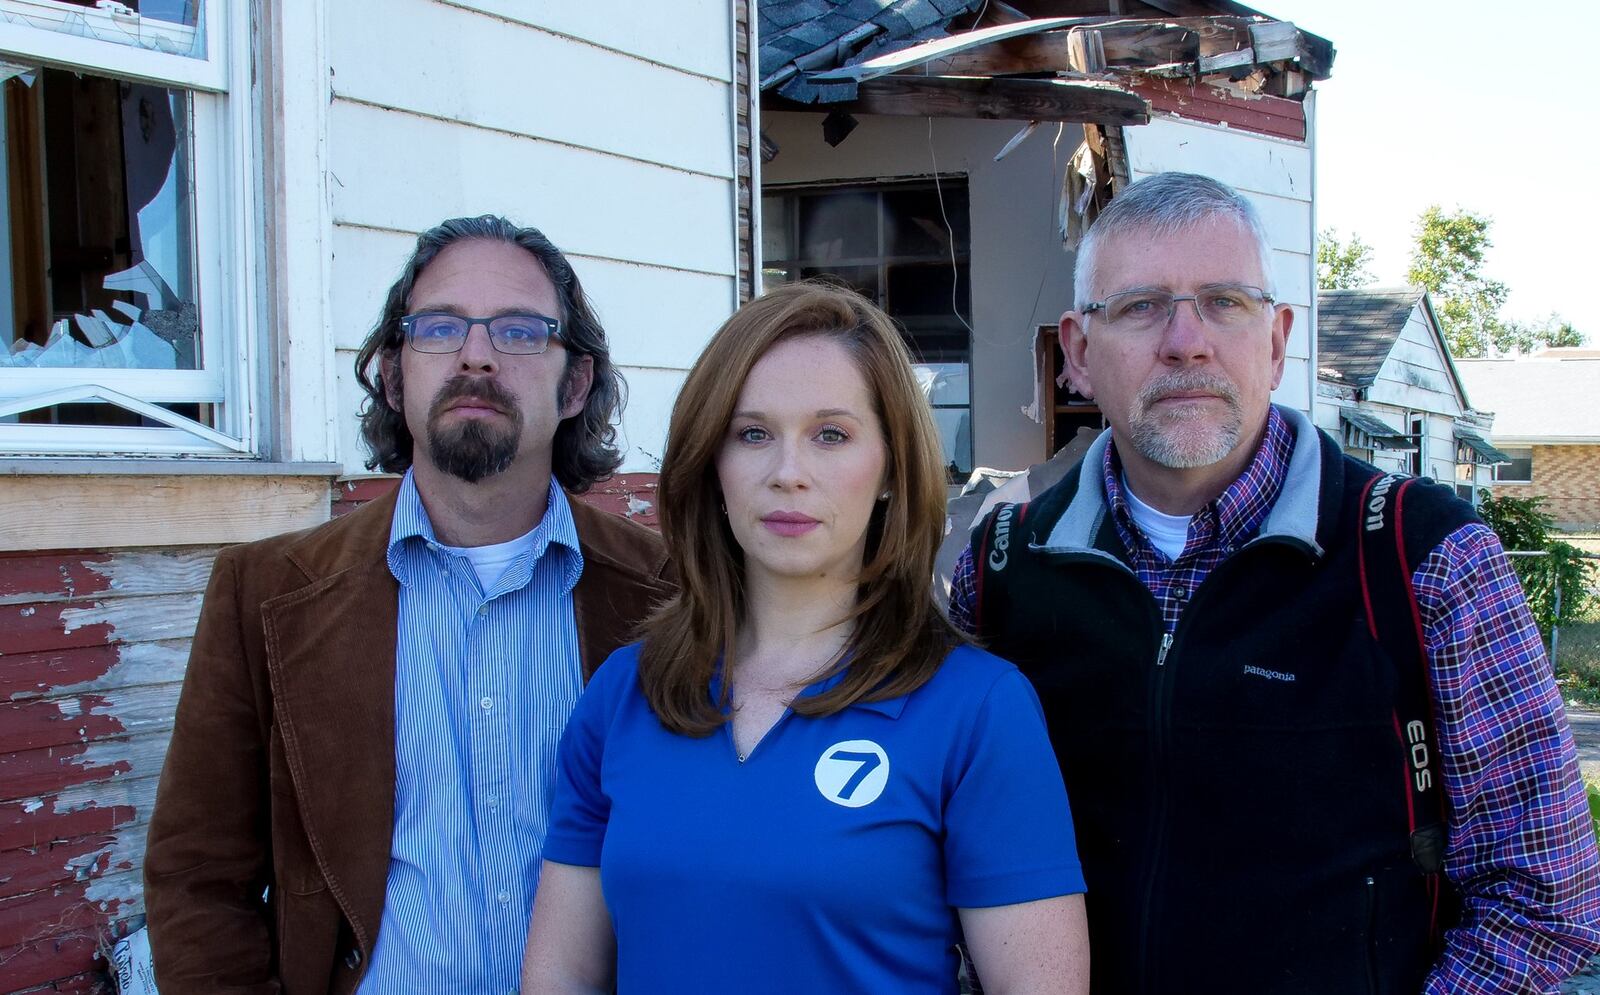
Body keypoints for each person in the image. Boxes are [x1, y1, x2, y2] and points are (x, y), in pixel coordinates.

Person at [950, 171, 1600, 993]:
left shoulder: (1422, 554)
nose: (1187, 340)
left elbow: (1547, 894)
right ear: (1079, 351)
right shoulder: (1004, 568)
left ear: (1278, 338)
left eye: (1225, 301)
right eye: (1143, 306)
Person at [142, 216, 674, 994]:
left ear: (577, 383)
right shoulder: (263, 598)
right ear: (393, 376)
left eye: (521, 331)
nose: (476, 353)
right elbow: (197, 881)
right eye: (439, 327)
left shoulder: (668, 597)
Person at [521, 281, 1090, 994]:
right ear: (712, 463)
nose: (788, 473)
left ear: (889, 468)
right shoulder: (624, 695)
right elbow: (562, 977)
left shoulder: (977, 710)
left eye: (831, 434)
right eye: (753, 433)